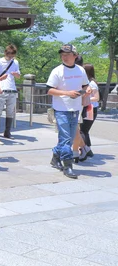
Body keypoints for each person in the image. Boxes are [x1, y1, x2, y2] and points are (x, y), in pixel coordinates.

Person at [46, 44, 90, 179]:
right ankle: (68, 166)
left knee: (69, 139)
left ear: (75, 56)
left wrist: (87, 90)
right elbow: (49, 89)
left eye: (67, 54)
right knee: (66, 139)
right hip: (61, 109)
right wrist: (67, 93)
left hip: (75, 109)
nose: (64, 57)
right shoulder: (57, 71)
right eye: (62, 55)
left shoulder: (80, 70)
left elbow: (85, 85)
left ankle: (55, 156)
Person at [0, 44, 21, 140]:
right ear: (6, 53)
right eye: (9, 55)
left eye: (12, 55)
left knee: (10, 111)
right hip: (2, 88)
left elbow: (18, 76)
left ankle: (7, 131)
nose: (11, 57)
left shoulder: (15, 62)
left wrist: (16, 74)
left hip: (12, 88)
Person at [79, 63, 99, 161]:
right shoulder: (89, 82)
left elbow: (96, 98)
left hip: (90, 108)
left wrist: (85, 98)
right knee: (84, 130)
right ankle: (88, 150)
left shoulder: (91, 84)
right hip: (89, 108)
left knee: (82, 130)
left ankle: (85, 150)